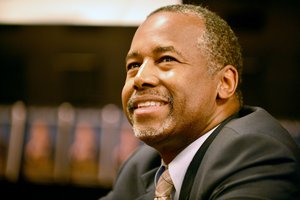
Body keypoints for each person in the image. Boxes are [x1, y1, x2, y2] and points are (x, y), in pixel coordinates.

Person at [99, 4, 300, 200]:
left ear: (225, 82)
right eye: (133, 65)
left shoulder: (257, 155)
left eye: (166, 59)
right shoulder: (142, 164)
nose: (140, 78)